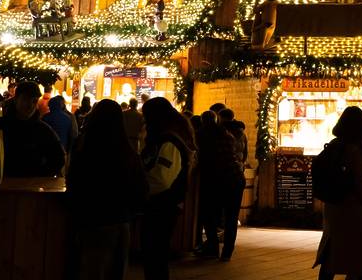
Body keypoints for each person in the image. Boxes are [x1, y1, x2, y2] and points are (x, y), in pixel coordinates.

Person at [66, 99, 148, 280]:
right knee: (116, 272)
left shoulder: (85, 147)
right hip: (120, 220)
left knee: (92, 271)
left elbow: (73, 181)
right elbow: (140, 188)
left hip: (91, 220)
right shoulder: (127, 151)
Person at [313, 106, 362, 279]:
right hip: (354, 208)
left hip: (334, 205)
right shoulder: (357, 150)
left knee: (332, 252)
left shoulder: (334, 145)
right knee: (358, 255)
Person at [141, 97, 195, 280]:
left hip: (161, 207)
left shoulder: (169, 142)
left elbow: (162, 179)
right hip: (161, 206)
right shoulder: (169, 139)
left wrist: (142, 190)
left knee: (155, 256)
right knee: (155, 256)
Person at [195, 110, 241, 261]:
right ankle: (227, 253)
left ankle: (212, 248)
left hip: (215, 179)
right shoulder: (228, 135)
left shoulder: (203, 135)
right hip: (235, 178)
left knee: (209, 216)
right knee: (231, 218)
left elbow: (202, 159)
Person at [0, 81, 66, 177]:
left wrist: (40, 175)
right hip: (3, 186)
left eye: (34, 101)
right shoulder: (0, 126)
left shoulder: (43, 129)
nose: (30, 105)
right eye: (26, 99)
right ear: (16, 99)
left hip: (31, 187)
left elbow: (58, 158)